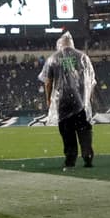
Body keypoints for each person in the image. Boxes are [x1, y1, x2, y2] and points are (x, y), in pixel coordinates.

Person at [38, 31, 96, 169]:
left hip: (63, 101)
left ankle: (70, 159)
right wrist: (88, 98)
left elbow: (48, 82)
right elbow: (91, 80)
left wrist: (49, 99)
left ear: (60, 44)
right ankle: (87, 156)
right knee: (84, 129)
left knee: (67, 131)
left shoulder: (53, 58)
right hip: (80, 100)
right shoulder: (82, 57)